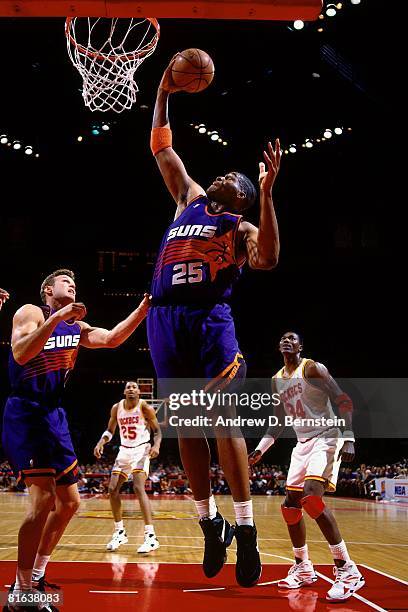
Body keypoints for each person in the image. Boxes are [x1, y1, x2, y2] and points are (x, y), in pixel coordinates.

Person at [147, 55, 281, 587]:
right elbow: (162, 147)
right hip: (165, 319)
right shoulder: (189, 198)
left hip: (208, 319)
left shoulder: (243, 224)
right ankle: (208, 523)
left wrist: (268, 196)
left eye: (237, 178)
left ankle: (245, 529)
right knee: (186, 428)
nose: (223, 173)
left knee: (223, 420)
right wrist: (162, 92)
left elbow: (268, 259)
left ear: (244, 195)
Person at [2, 269, 150, 611]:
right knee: (42, 502)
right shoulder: (31, 312)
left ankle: (37, 576)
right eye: (64, 281)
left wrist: (143, 310)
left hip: (54, 415)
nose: (72, 284)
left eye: (74, 282)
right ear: (48, 290)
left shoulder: (76, 328)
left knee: (70, 503)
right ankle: (21, 594)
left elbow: (111, 338)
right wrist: (57, 317)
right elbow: (21, 353)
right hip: (26, 412)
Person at [249, 331, 365, 602]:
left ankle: (348, 570)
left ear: (301, 346)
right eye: (283, 339)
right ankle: (303, 567)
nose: (287, 341)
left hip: (326, 435)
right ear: (279, 347)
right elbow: (278, 421)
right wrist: (259, 450)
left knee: (311, 498)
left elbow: (343, 399)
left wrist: (349, 437)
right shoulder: (277, 380)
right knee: (290, 506)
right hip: (302, 444)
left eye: (293, 338)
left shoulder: (311, 368)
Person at [94, 380, 162, 553]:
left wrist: (156, 446)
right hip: (124, 450)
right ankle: (120, 532)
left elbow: (157, 431)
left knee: (138, 488)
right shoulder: (117, 408)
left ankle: (151, 536)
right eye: (128, 387)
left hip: (141, 449)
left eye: (134, 387)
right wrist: (101, 442)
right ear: (124, 392)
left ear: (139, 392)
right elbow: (110, 431)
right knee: (112, 489)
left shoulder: (145, 407)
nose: (131, 389)